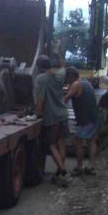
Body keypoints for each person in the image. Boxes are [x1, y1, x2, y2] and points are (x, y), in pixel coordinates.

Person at [34, 53, 70, 186]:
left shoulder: (41, 79)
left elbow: (40, 100)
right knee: (61, 144)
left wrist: (37, 113)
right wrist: (57, 52)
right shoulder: (60, 75)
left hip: (52, 117)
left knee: (51, 144)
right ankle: (59, 173)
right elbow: (63, 66)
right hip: (63, 115)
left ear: (39, 67)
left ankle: (63, 171)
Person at [64, 66, 99, 176]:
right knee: (92, 142)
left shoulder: (75, 85)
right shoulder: (86, 82)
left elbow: (65, 99)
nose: (65, 79)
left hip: (84, 119)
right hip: (93, 117)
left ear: (71, 76)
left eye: (66, 76)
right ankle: (92, 166)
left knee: (78, 142)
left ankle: (80, 167)